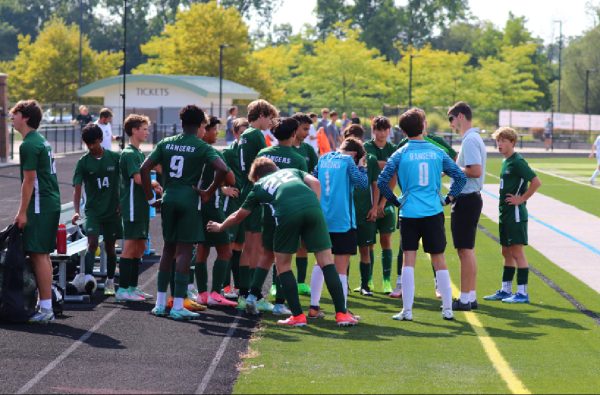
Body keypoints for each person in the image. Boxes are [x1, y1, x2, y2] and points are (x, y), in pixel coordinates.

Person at [207, 158, 358, 327]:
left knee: (283, 265)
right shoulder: (292, 170)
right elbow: (315, 181)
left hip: (287, 214)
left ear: (256, 177)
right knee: (326, 262)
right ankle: (342, 314)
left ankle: (298, 316)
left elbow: (239, 215)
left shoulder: (259, 185)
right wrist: (313, 203)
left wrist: (220, 226)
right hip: (313, 208)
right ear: (275, 168)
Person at [140, 105, 228, 320]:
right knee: (185, 251)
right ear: (200, 126)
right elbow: (223, 169)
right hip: (189, 200)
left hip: (169, 197)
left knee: (168, 249)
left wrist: (149, 198)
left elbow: (144, 168)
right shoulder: (201, 146)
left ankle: (160, 303)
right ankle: (178, 304)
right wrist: (208, 192)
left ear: (181, 123)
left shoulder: (166, 143)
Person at [378, 108, 466, 321]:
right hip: (433, 211)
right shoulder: (437, 151)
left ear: (403, 131)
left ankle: (407, 311)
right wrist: (448, 198)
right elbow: (459, 177)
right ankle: (447, 309)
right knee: (439, 259)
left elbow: (382, 181)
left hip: (409, 212)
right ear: (423, 125)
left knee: (408, 259)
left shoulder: (400, 153)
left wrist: (396, 201)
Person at [391, 110, 458, 299]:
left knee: (426, 252)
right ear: (422, 125)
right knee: (408, 250)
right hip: (421, 205)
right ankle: (401, 284)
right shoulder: (405, 145)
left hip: (418, 206)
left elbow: (453, 158)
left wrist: (439, 172)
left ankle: (436, 285)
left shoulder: (436, 143)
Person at [246, 117, 308, 316]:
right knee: (284, 259)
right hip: (287, 213)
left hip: (266, 211)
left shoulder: (264, 153)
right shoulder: (298, 158)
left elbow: (255, 180)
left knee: (266, 255)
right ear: (293, 134)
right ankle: (280, 303)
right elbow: (301, 188)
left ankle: (251, 295)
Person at [10, 100, 61, 323]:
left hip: (40, 205)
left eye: (15, 114)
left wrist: (22, 212)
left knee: (39, 254)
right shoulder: (39, 141)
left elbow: (29, 181)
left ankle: (47, 308)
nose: (11, 117)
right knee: (43, 254)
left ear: (26, 117)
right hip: (48, 203)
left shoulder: (29, 144)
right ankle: (47, 302)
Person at [309, 137, 368, 320]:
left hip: (322, 220)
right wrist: (362, 166)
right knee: (341, 267)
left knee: (320, 264)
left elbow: (311, 178)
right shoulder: (349, 161)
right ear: (356, 154)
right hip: (342, 221)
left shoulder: (324, 158)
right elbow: (362, 183)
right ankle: (342, 311)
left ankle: (313, 307)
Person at [484, 127, 541, 304]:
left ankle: (522, 293)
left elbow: (536, 181)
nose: (499, 144)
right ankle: (505, 289)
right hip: (505, 213)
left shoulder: (517, 161)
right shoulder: (506, 161)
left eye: (503, 141)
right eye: (497, 141)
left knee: (517, 251)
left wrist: (522, 198)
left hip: (515, 213)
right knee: (506, 251)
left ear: (512, 142)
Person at [70, 123, 122, 298]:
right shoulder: (83, 162)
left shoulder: (115, 158)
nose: (90, 147)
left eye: (93, 143)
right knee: (91, 244)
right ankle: (89, 279)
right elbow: (77, 189)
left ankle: (109, 280)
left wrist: (121, 202)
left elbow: (124, 181)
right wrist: (77, 211)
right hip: (93, 211)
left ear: (100, 140)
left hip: (112, 211)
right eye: (87, 144)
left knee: (110, 247)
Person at [237, 99, 279, 310]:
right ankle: (250, 293)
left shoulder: (245, 135)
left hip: (246, 188)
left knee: (249, 245)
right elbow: (265, 164)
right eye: (270, 117)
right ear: (261, 115)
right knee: (255, 245)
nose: (271, 122)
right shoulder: (255, 134)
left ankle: (245, 292)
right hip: (255, 188)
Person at [118, 114, 163, 302]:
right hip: (132, 207)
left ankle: (132, 287)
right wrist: (154, 183)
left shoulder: (138, 153)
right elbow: (138, 179)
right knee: (130, 247)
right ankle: (123, 289)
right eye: (144, 129)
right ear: (134, 130)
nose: (147, 132)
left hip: (141, 206)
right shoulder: (128, 154)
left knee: (140, 247)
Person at [194, 116, 238, 308]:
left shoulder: (193, 149)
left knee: (202, 250)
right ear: (205, 130)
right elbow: (231, 178)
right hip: (212, 206)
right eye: (214, 129)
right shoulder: (210, 151)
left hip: (197, 205)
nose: (217, 133)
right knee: (225, 251)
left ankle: (202, 294)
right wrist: (223, 183)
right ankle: (215, 293)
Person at [448, 101, 486, 311]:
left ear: (460, 116)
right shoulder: (473, 138)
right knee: (467, 250)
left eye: (451, 119)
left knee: (464, 250)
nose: (451, 124)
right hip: (470, 198)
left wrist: (453, 168)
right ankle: (470, 296)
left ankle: (464, 298)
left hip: (467, 198)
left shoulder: (470, 139)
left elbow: (475, 170)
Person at [344, 124, 380, 296]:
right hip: (346, 212)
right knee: (344, 251)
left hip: (365, 210)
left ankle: (365, 285)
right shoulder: (340, 160)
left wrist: (375, 207)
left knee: (365, 249)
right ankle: (345, 285)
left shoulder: (370, 159)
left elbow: (375, 184)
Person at [364, 116, 396, 294]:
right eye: (378, 129)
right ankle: (367, 281)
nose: (381, 133)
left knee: (386, 240)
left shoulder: (393, 148)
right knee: (368, 243)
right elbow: (375, 165)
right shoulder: (367, 147)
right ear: (373, 130)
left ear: (389, 131)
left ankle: (386, 281)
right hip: (369, 202)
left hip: (386, 202)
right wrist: (387, 165)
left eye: (385, 129)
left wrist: (383, 203)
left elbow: (394, 174)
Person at [220, 118, 249, 299]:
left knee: (240, 246)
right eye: (242, 133)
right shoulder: (228, 152)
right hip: (231, 204)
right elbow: (217, 175)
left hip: (247, 204)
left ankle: (238, 285)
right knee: (228, 247)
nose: (245, 138)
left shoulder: (253, 152)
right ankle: (225, 286)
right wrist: (223, 189)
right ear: (235, 133)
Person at [292, 113, 319, 295]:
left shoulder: (308, 150)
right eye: (304, 129)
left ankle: (301, 282)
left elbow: (316, 173)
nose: (307, 133)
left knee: (303, 244)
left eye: (309, 129)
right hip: (285, 203)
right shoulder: (283, 149)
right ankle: (276, 284)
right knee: (281, 246)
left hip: (304, 203)